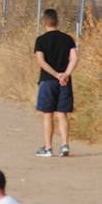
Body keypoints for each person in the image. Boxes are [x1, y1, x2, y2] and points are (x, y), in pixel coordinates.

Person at [34, 8, 78, 158]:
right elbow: (74, 58)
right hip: (65, 81)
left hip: (48, 80)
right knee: (62, 114)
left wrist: (55, 74)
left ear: (44, 22)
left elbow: (41, 61)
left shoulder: (41, 40)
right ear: (57, 21)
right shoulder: (67, 39)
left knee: (48, 114)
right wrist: (65, 74)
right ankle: (65, 145)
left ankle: (48, 147)